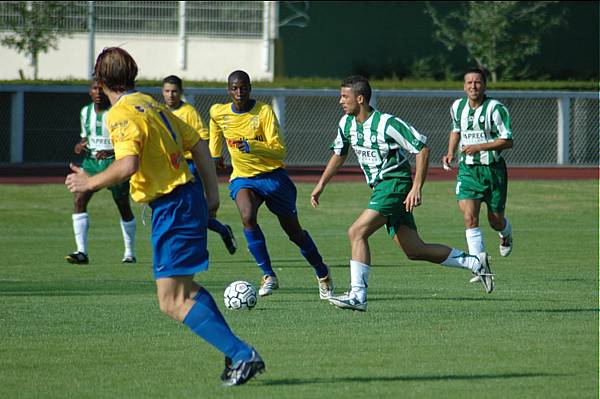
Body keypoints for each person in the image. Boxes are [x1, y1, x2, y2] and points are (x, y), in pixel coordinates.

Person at [65, 48, 264, 386]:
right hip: (185, 200)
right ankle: (236, 354)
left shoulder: (120, 114)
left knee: (171, 301)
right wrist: (211, 196)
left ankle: (243, 354)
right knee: (185, 290)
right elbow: (199, 144)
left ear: (100, 80)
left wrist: (89, 181)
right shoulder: (151, 103)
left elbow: (128, 165)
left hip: (172, 207)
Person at [310, 75, 493, 312]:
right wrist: (321, 184)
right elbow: (339, 153)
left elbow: (422, 149)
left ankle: (358, 295)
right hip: (381, 188)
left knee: (356, 232)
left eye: (345, 96)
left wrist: (416, 187)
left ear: (361, 98)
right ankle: (475, 262)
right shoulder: (346, 124)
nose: (340, 101)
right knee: (414, 250)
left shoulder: (387, 123)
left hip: (395, 183)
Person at [209, 70, 334, 299]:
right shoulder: (219, 111)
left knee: (294, 233)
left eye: (243, 87)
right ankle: (268, 275)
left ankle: (322, 272)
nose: (239, 92)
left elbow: (279, 151)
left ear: (250, 88)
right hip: (244, 177)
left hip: (273, 177)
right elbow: (215, 124)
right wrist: (215, 153)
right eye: (234, 88)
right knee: (247, 217)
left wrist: (252, 146)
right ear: (228, 90)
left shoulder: (264, 112)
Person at [442, 68, 513, 284]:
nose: (473, 86)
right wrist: (450, 152)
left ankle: (506, 233)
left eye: (478, 82)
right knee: (469, 217)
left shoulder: (496, 109)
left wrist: (479, 146)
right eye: (469, 83)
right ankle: (478, 265)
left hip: (493, 172)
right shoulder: (457, 107)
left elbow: (508, 141)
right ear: (464, 86)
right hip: (468, 171)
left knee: (495, 220)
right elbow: (456, 130)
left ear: (485, 85)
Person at [162, 75, 237, 255]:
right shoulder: (160, 113)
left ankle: (196, 249)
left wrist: (207, 164)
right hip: (170, 167)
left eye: (174, 91)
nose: (170, 95)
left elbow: (202, 138)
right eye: (167, 91)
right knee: (178, 210)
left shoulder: (188, 112)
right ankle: (221, 231)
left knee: (195, 210)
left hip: (190, 165)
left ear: (180, 92)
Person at [65, 78, 137, 265]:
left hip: (113, 162)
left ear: (106, 91)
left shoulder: (116, 113)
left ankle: (129, 252)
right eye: (94, 89)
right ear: (90, 92)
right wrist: (80, 146)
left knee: (122, 204)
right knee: (79, 199)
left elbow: (126, 142)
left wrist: (111, 151)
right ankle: (82, 252)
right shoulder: (85, 112)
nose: (97, 92)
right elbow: (85, 138)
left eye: (100, 89)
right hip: (91, 163)